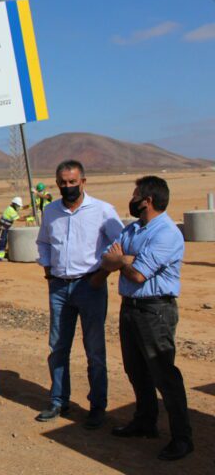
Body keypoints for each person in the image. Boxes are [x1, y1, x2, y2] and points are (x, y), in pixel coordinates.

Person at [101, 176, 193, 461]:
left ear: (148, 200)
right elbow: (108, 258)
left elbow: (139, 274)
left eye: (136, 194)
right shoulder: (134, 229)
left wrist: (122, 261)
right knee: (136, 370)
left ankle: (182, 438)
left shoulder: (166, 233)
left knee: (163, 375)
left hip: (155, 310)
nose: (133, 198)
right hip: (130, 307)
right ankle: (145, 421)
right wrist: (124, 260)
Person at [35, 160, 124, 429]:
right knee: (58, 346)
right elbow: (43, 241)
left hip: (91, 285)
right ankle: (59, 400)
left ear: (83, 182)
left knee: (94, 349)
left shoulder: (103, 210)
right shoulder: (51, 211)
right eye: (63, 182)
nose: (68, 186)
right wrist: (48, 268)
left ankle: (97, 406)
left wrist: (102, 274)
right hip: (59, 287)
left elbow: (120, 245)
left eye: (73, 182)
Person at [0, 196, 24, 261]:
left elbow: (22, 208)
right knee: (2, 241)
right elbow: (18, 219)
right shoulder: (10, 210)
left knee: (4, 240)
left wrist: (30, 206)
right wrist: (28, 218)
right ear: (14, 204)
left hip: (5, 228)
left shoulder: (13, 208)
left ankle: (1, 254)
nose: (19, 207)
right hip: (2, 228)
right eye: (18, 205)